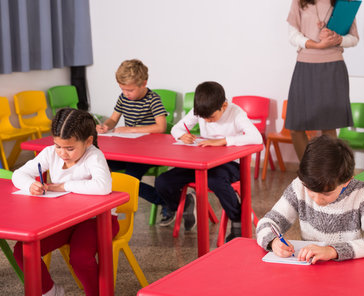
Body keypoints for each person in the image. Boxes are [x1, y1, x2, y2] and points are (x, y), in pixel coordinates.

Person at [12, 108, 118, 296]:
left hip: (99, 220)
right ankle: (50, 291)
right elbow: (19, 174)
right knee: (22, 251)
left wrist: (63, 186)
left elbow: (103, 187)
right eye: (58, 146)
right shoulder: (50, 153)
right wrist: (30, 185)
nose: (62, 153)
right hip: (66, 220)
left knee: (80, 257)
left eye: (69, 148)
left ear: (88, 141)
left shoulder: (94, 155)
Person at [155, 81, 262, 239]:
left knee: (215, 181)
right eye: (203, 118)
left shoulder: (236, 113)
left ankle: (237, 219)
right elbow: (176, 128)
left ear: (223, 106)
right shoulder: (200, 111)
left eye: (211, 117)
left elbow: (257, 138)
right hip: (202, 163)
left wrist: (223, 141)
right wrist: (181, 135)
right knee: (163, 181)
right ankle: (184, 205)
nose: (207, 121)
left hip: (230, 164)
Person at [256, 135, 364, 264]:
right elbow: (267, 223)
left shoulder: (363, 193)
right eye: (311, 192)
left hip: (348, 270)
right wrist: (273, 242)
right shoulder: (299, 186)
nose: (317, 199)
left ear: (346, 181)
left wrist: (331, 251)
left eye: (327, 194)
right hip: (312, 269)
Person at [285, 0, 359, 160]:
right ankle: (307, 171)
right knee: (296, 125)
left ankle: (330, 173)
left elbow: (354, 38)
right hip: (305, 66)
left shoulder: (344, 0)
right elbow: (292, 34)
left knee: (328, 128)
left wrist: (339, 39)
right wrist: (314, 45)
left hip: (332, 67)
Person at [95, 59, 170, 220]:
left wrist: (130, 129)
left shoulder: (153, 99)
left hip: (148, 154)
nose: (126, 93)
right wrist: (105, 126)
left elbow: (161, 127)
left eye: (130, 90)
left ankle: (166, 201)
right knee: (101, 166)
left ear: (144, 83)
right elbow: (113, 120)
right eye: (122, 89)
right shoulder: (123, 98)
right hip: (127, 151)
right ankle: (105, 207)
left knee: (129, 180)